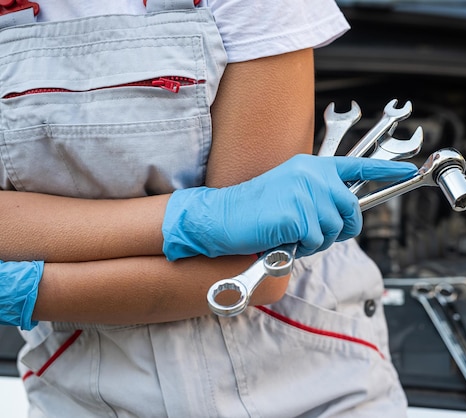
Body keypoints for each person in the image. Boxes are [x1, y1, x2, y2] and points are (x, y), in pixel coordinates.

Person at [0, 1, 412, 416]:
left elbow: (253, 272)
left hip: (309, 381)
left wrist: (33, 286)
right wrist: (194, 219)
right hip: (83, 393)